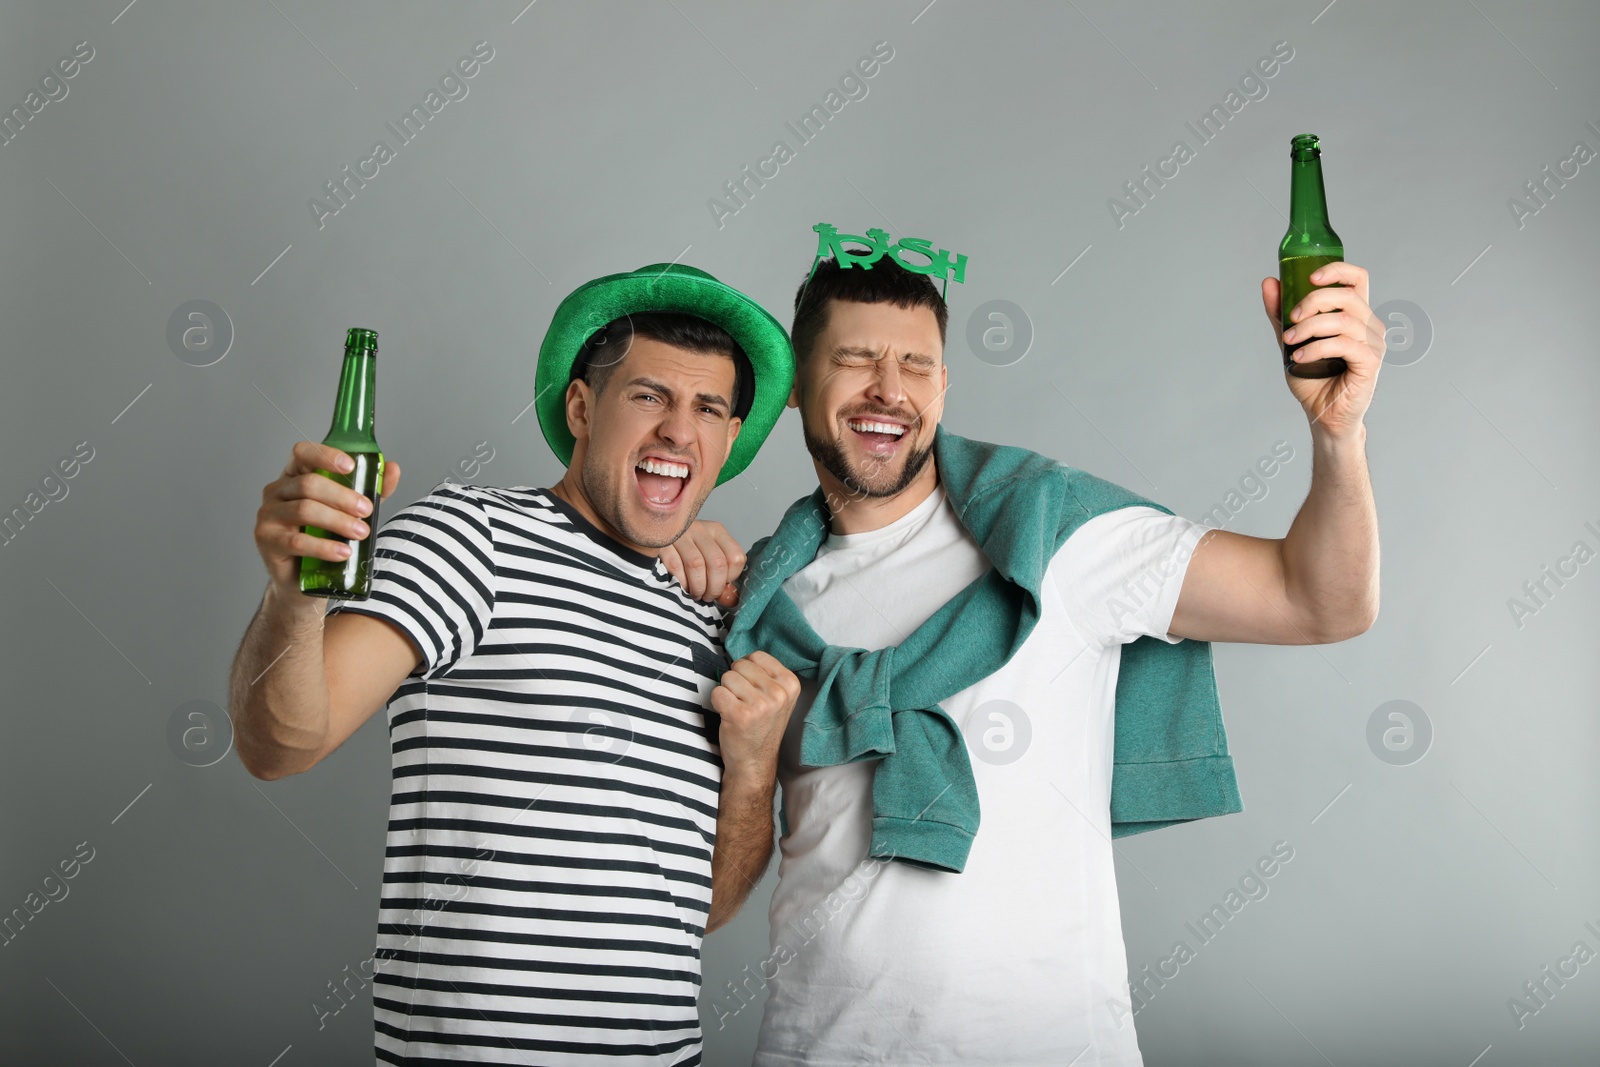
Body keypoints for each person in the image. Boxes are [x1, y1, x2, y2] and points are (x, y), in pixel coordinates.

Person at [662, 236, 1383, 1063]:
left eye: (918, 365)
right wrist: (677, 558)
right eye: (857, 358)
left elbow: (1320, 600)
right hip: (815, 1046)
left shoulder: (1055, 534)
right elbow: (709, 896)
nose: (889, 390)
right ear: (794, 384)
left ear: (945, 383)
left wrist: (1340, 435)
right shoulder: (759, 603)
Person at [229, 262, 803, 1065]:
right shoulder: (472, 540)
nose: (680, 430)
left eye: (708, 408)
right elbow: (279, 744)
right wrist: (294, 596)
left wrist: (751, 772)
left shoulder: (713, 618)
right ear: (580, 407)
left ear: (729, 438)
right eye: (648, 396)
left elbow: (695, 909)